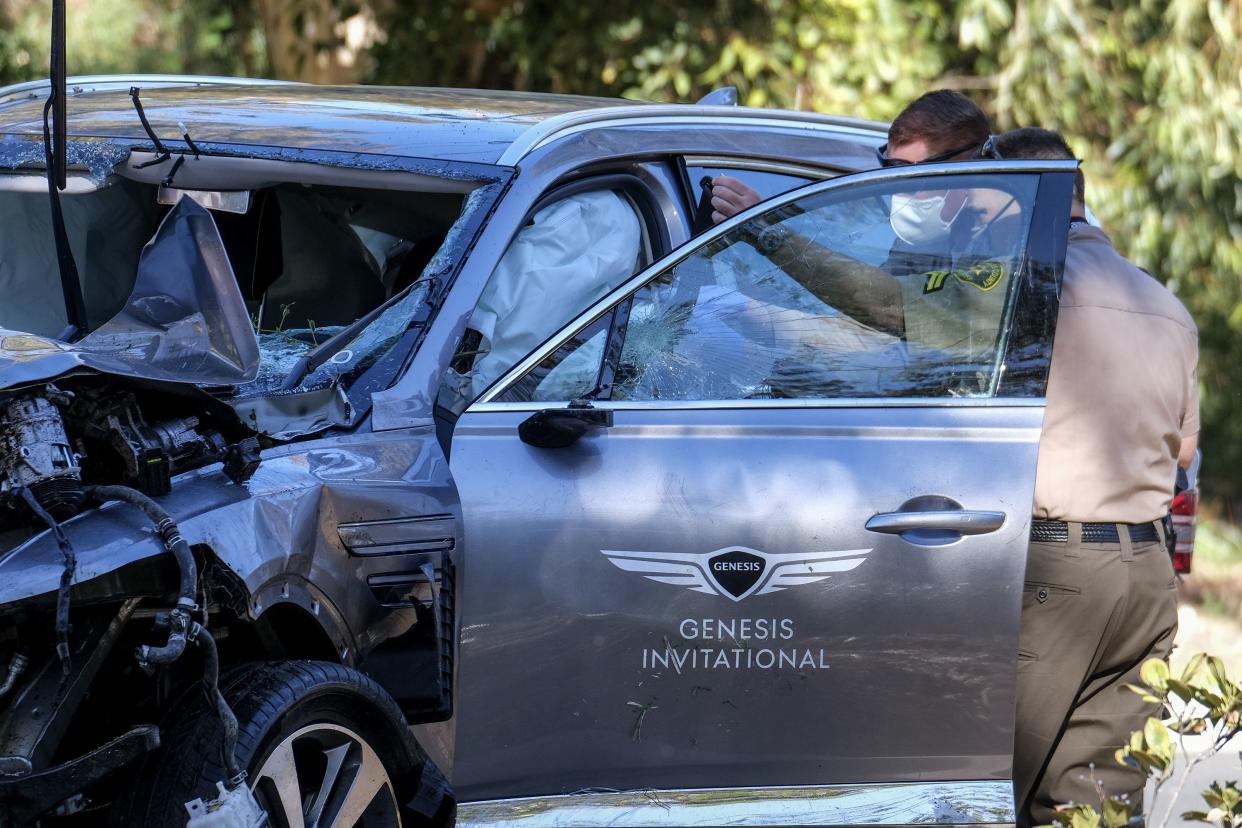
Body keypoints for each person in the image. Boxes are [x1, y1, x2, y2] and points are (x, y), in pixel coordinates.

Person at [994, 127, 1198, 826]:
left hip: (1061, 573)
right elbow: (1185, 453)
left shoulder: (1025, 293)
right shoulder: (1169, 308)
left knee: (992, 788)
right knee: (1096, 809)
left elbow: (887, 313)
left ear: (1020, 199)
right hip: (1146, 580)